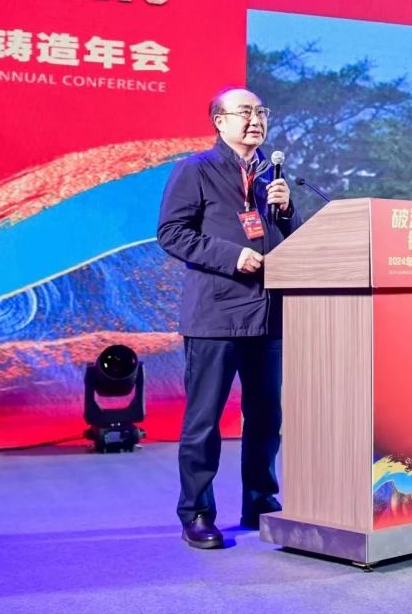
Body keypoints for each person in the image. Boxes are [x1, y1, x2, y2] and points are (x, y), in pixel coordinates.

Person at [157, 87, 303, 549]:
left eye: (261, 111)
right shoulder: (196, 169)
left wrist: (287, 212)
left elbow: (286, 242)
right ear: (219, 121)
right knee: (204, 420)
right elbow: (172, 233)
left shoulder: (269, 178)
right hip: (216, 315)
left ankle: (260, 500)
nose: (255, 119)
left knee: (266, 417)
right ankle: (197, 512)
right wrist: (231, 256)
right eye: (244, 112)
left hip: (267, 315)